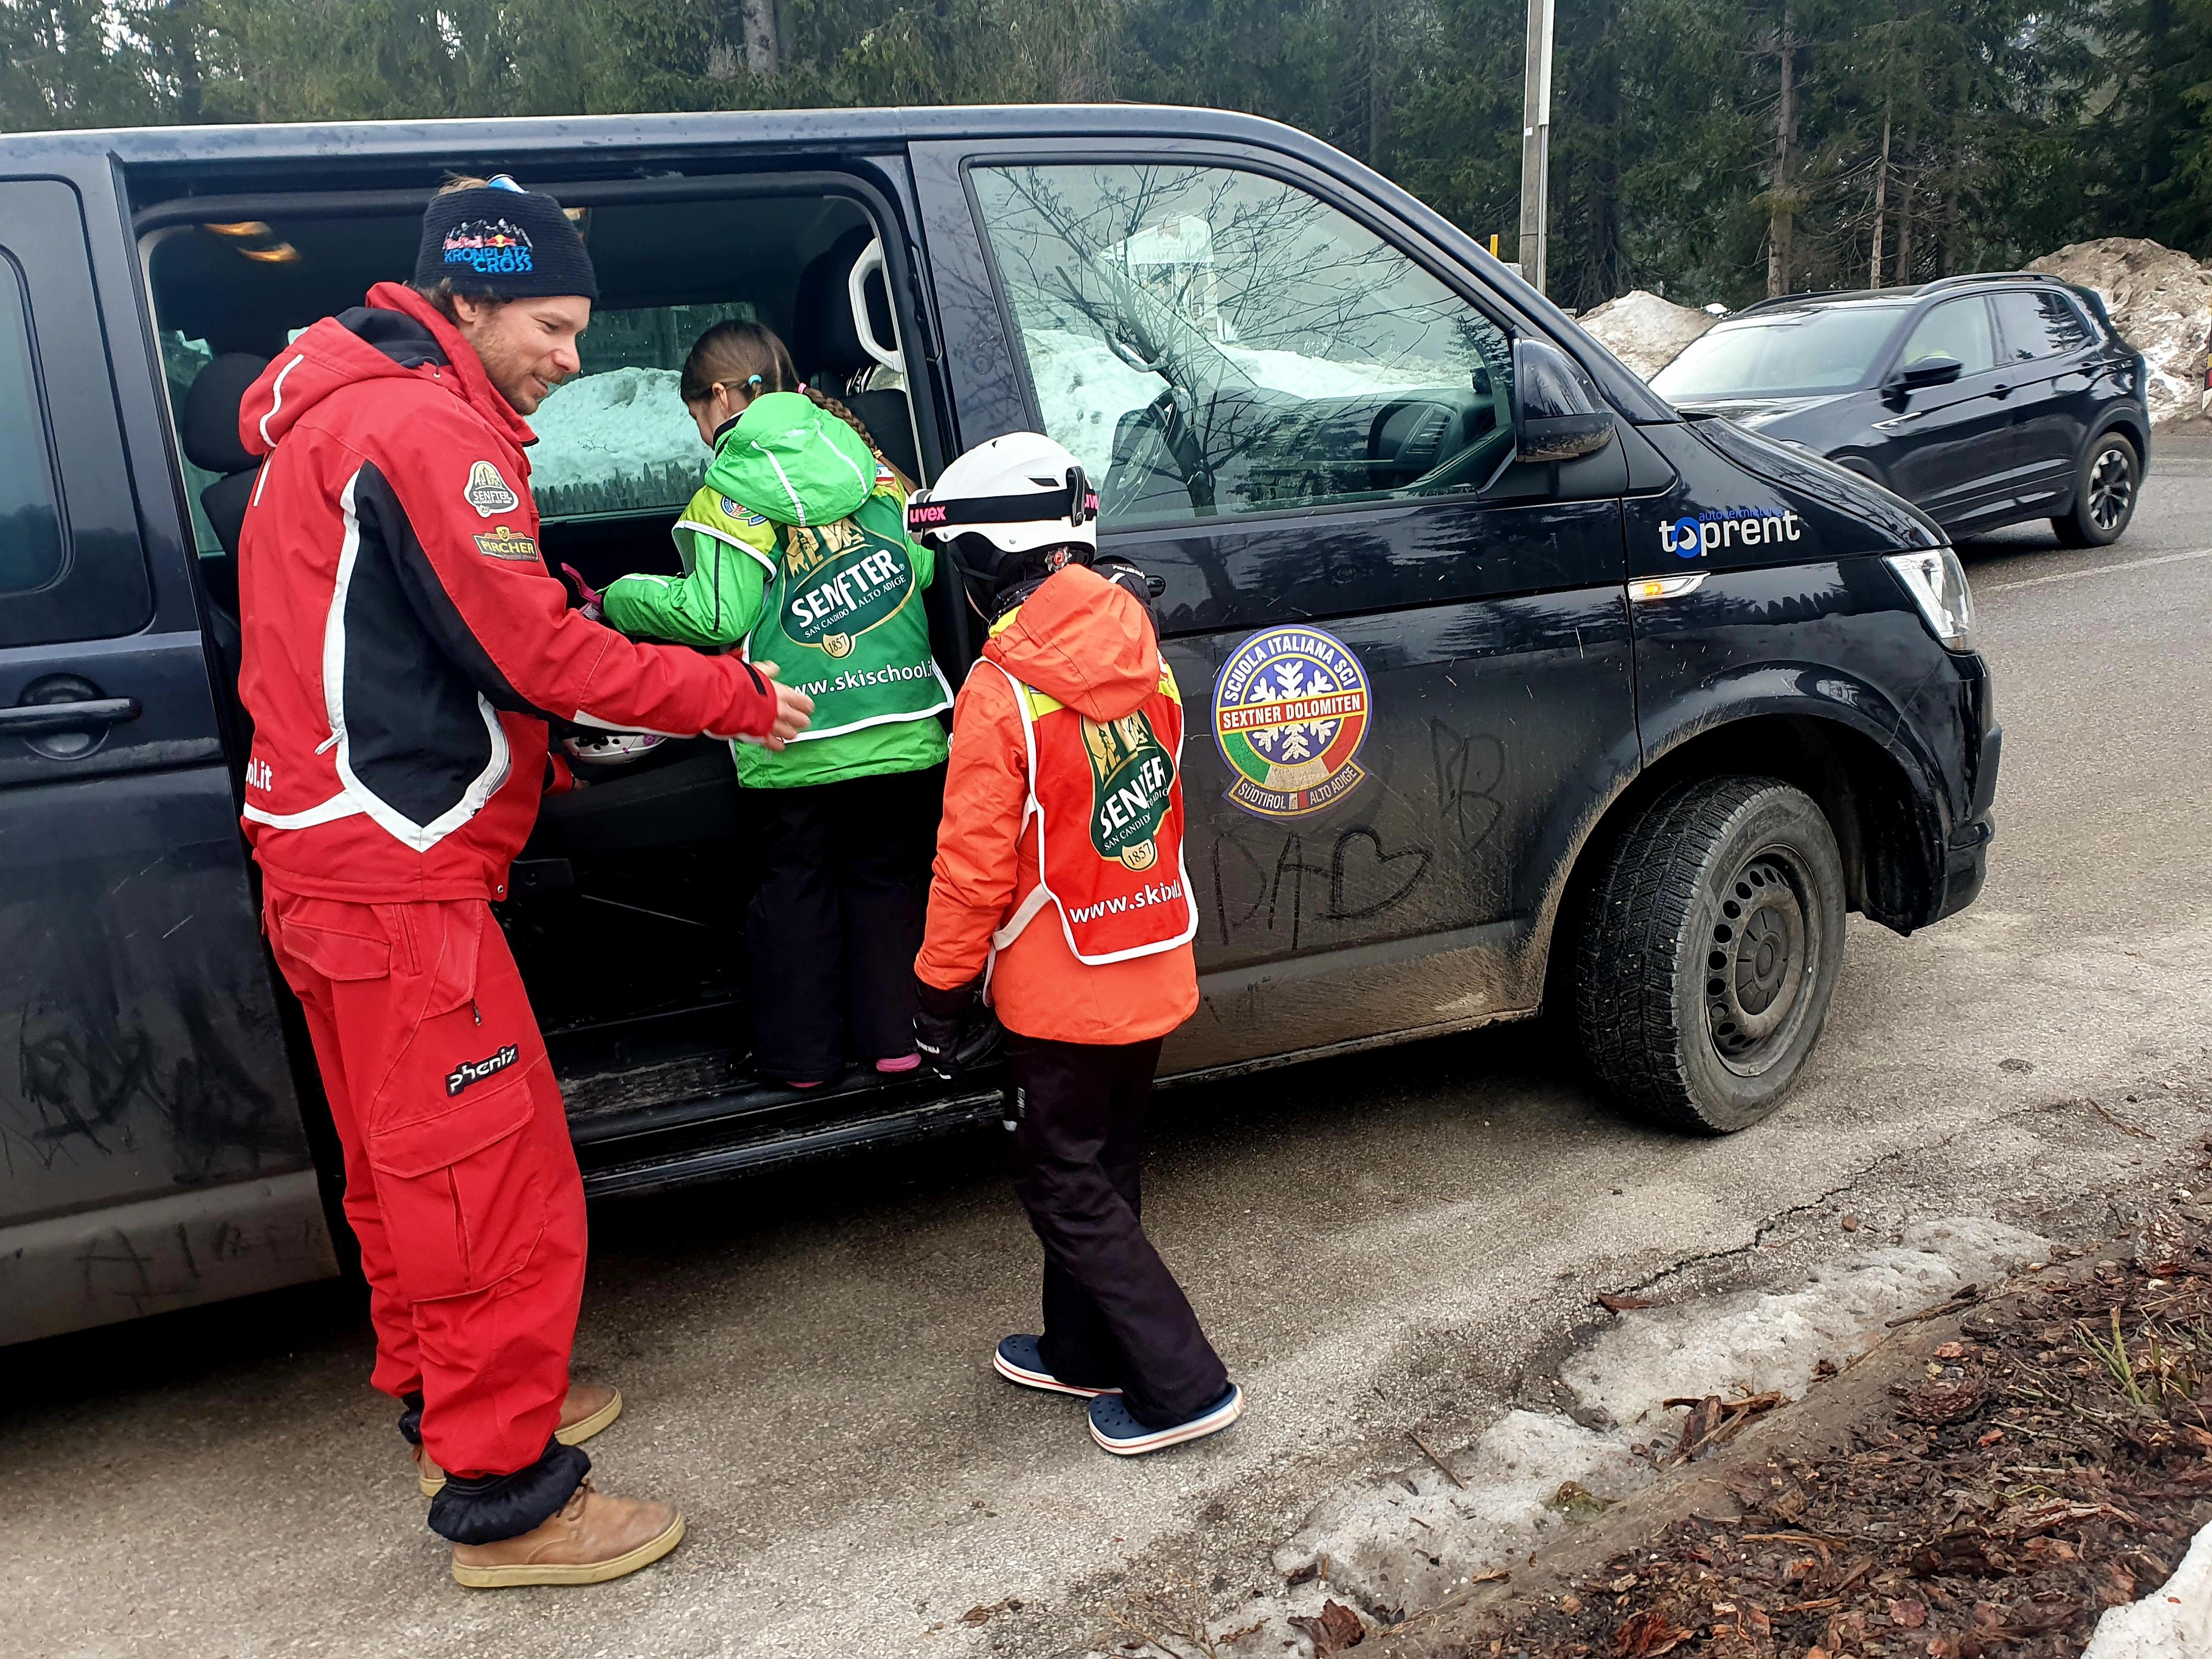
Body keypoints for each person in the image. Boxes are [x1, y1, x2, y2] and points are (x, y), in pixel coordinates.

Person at [234, 174, 812, 1587]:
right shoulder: (426, 432)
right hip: (400, 877)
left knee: (401, 1173)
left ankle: (452, 1404)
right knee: (493, 1186)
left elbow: (460, 630)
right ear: (468, 302)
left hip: (330, 867)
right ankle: (512, 1501)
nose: (571, 357)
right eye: (552, 327)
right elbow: (537, 657)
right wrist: (731, 694)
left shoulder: (341, 412)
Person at [906, 432, 1243, 1456]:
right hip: (1147, 951)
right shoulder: (1150, 659)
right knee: (1107, 1162)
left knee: (1061, 1180)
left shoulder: (999, 692)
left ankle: (1184, 1387)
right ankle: (1079, 1350)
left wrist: (937, 997)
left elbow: (972, 872)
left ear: (988, 568)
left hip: (1056, 983)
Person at [585, 323, 950, 1087]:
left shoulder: (729, 494)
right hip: (900, 724)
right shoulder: (873, 470)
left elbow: (715, 615)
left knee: (796, 891)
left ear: (720, 396)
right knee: (888, 885)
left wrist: (620, 597)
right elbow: (918, 565)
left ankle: (804, 1060)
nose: (700, 432)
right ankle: (897, 1041)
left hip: (794, 734)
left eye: (694, 414)